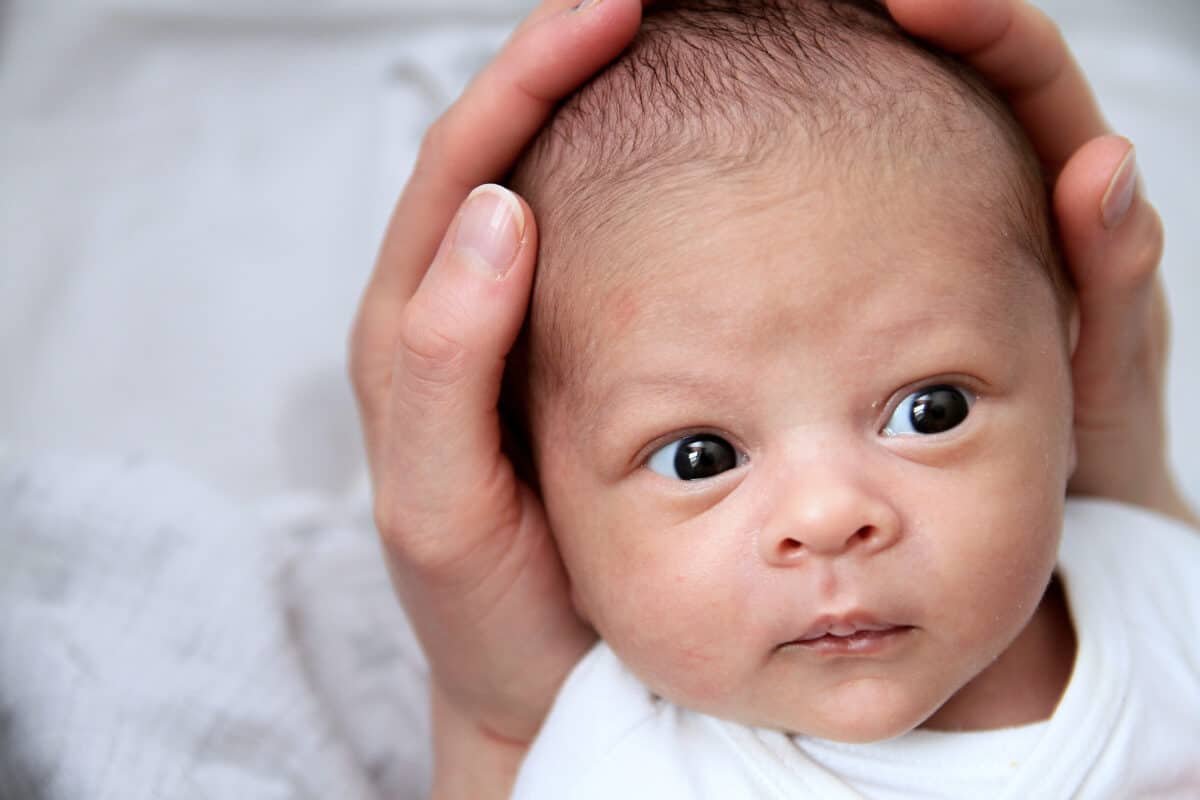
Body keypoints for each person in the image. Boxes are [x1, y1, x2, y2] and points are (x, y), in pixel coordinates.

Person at [348, 0, 1197, 796]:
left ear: (1066, 371)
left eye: (931, 409)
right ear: (546, 503)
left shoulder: (1162, 595)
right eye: (700, 458)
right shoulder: (622, 771)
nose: (829, 517)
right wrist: (493, 729)